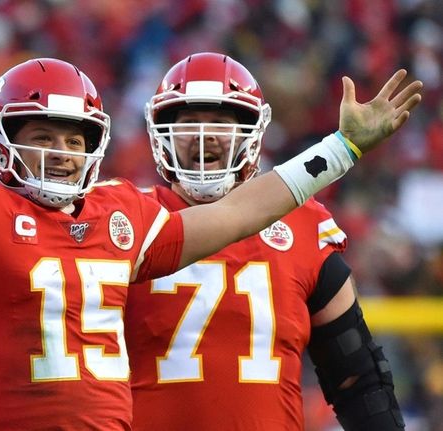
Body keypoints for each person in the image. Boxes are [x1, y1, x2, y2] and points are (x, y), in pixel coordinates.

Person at [0, 11, 422, 427]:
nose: (57, 154)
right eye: (39, 135)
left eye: (72, 139)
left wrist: (340, 150)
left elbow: (240, 217)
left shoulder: (123, 218)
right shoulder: (3, 207)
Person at [124, 52, 406, 431]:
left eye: (221, 123)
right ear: (161, 133)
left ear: (251, 133)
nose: (203, 136)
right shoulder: (125, 220)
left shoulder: (304, 223)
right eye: (188, 122)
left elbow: (355, 374)